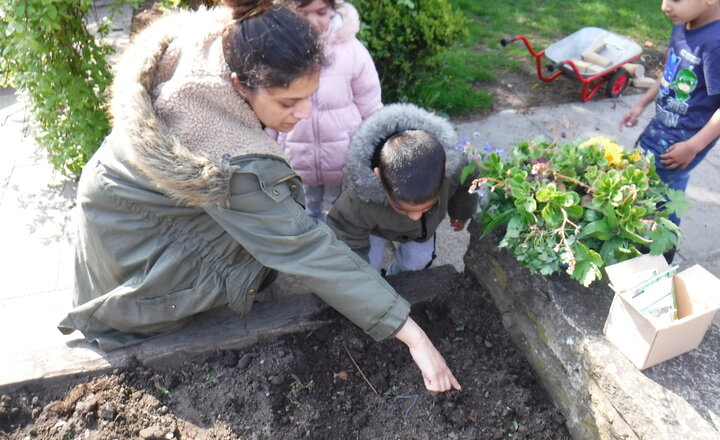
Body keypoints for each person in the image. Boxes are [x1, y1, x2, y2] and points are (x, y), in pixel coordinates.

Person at [57, 0, 459, 393]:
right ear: (240, 84)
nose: (305, 113)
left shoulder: (226, 42)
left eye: (310, 96)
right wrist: (414, 336)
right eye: (288, 102)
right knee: (278, 236)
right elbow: (305, 248)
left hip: (120, 211)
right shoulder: (228, 162)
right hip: (130, 260)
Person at [326, 103, 478, 275]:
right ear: (379, 177)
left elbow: (469, 182)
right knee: (368, 268)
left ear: (445, 171)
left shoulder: (456, 168)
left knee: (417, 264)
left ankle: (397, 278)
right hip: (372, 228)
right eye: (401, 208)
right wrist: (360, 275)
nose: (415, 216)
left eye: (427, 206)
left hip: (421, 232)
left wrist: (461, 212)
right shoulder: (359, 201)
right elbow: (346, 233)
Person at [269, 0, 382, 221]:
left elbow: (370, 105)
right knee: (305, 210)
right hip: (297, 155)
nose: (313, 21)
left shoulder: (352, 51)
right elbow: (270, 106)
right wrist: (269, 147)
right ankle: (312, 250)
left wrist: (376, 148)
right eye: (303, 13)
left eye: (321, 13)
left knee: (339, 211)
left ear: (333, 10)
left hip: (343, 154)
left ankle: (336, 249)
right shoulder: (278, 52)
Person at [619, 0, 720, 228]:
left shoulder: (715, 44)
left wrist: (693, 147)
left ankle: (662, 249)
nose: (664, 7)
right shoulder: (683, 23)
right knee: (653, 179)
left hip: (685, 140)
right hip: (663, 124)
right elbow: (670, 71)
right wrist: (641, 104)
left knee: (657, 193)